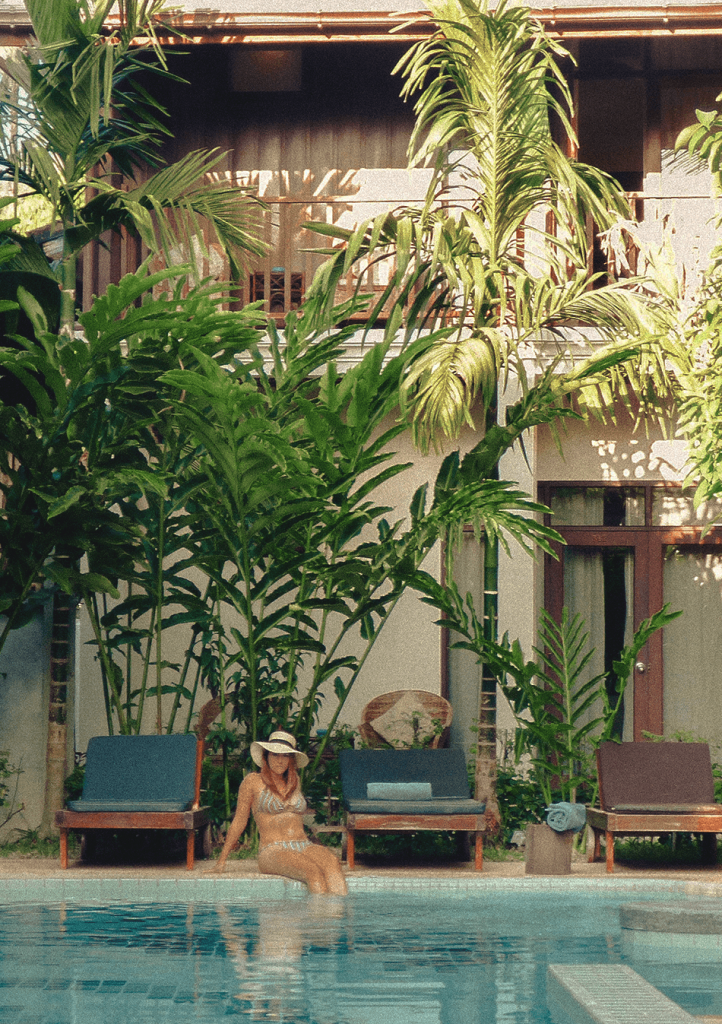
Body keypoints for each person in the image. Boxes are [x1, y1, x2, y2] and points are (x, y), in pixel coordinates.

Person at [213, 730, 347, 895]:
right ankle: (317, 921)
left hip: (303, 845)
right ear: (266, 756)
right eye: (275, 754)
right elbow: (240, 821)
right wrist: (221, 861)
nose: (280, 760)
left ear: (291, 759)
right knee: (312, 871)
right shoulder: (252, 781)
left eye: (285, 756)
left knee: (332, 863)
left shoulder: (294, 780)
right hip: (272, 849)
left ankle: (338, 919)